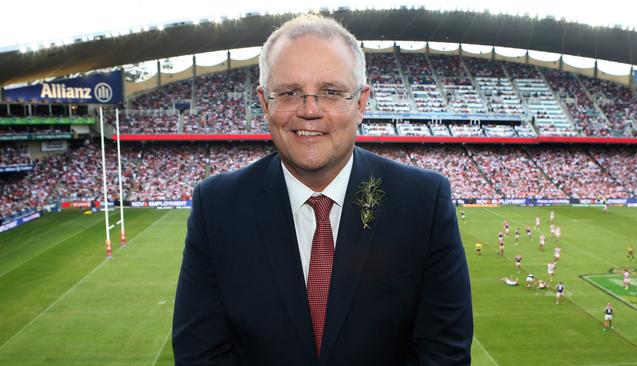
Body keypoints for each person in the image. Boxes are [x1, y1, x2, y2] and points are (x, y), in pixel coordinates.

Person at [172, 14, 473, 366]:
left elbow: (443, 354)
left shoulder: (423, 202)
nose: (309, 110)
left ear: (361, 103)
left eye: (330, 92)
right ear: (265, 103)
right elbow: (200, 354)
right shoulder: (218, 207)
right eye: (289, 92)